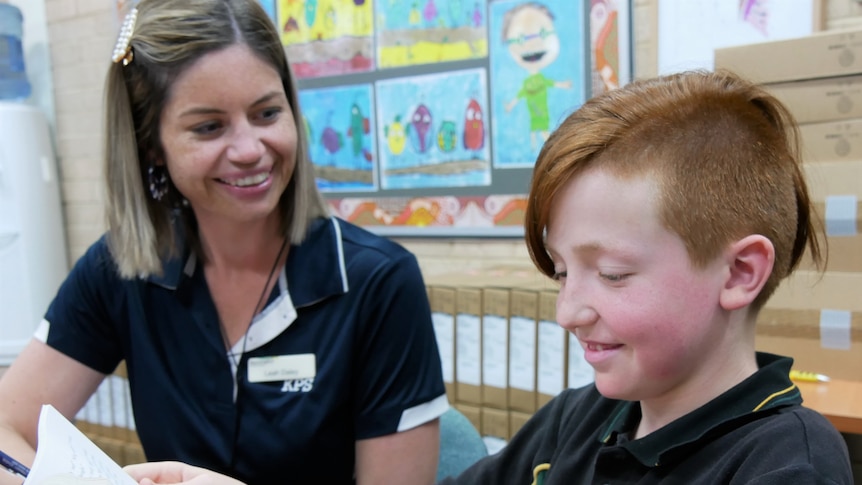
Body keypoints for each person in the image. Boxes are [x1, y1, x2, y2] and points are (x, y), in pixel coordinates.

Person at [123, 70, 856, 484]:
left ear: (740, 271)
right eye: (564, 271)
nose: (570, 310)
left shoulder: (787, 462)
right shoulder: (580, 417)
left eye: (613, 274)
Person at [0, 1, 447, 484]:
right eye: (209, 127)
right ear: (151, 144)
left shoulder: (378, 283)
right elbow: (6, 428)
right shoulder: (120, 270)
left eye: (267, 113)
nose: (250, 149)